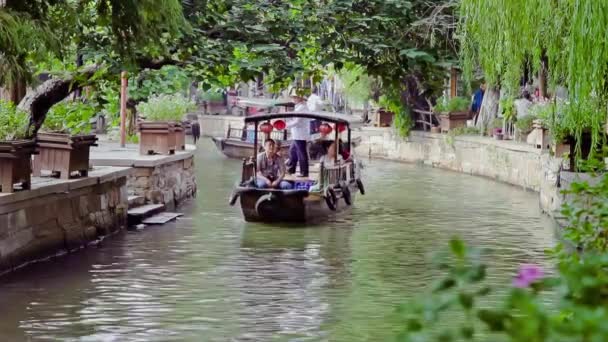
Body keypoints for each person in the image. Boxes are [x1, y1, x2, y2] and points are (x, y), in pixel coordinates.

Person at [286, 92, 311, 177]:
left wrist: (286, 125)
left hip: (300, 134)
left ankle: (304, 172)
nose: (293, 99)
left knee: (301, 153)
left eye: (295, 97)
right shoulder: (299, 107)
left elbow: (297, 121)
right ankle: (291, 169)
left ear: (300, 98)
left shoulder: (302, 108)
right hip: (297, 134)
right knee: (292, 151)